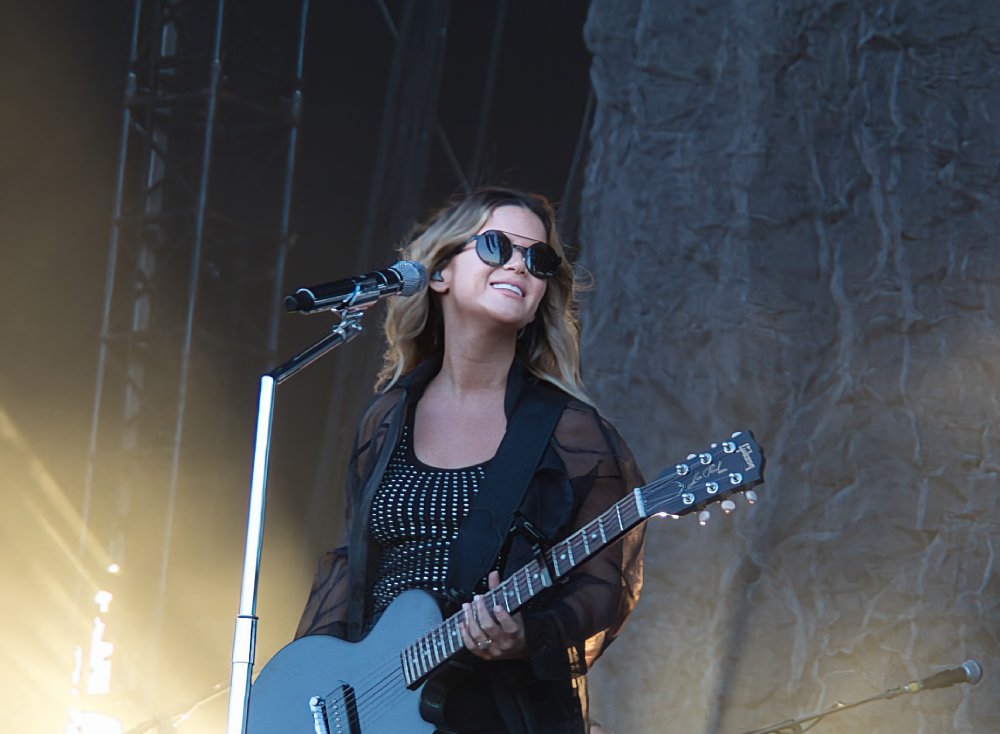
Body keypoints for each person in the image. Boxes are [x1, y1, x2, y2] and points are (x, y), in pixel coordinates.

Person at [295, 187, 645, 734]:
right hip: (377, 710)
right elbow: (351, 567)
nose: (519, 265)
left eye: (538, 258)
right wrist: (307, 689)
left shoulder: (569, 430)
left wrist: (526, 636)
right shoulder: (387, 417)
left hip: (496, 712)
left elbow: (604, 584)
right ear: (438, 274)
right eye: (496, 246)